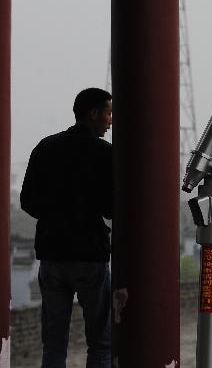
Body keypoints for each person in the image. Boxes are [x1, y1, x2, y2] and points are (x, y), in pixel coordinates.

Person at [21, 88, 113, 368]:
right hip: (89, 256)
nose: (111, 121)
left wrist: (54, 215)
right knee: (100, 342)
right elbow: (112, 208)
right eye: (108, 113)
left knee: (54, 342)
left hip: (52, 255)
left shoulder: (45, 147)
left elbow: (28, 201)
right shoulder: (104, 153)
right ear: (93, 113)